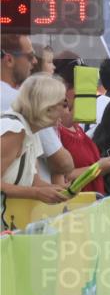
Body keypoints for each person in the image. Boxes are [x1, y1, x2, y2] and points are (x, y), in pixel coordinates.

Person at [1, 34, 73, 185]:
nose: (34, 61)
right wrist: (40, 193)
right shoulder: (17, 127)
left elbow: (34, 180)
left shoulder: (29, 130)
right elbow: (63, 163)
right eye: (30, 56)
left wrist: (54, 192)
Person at [51, 55, 110, 194]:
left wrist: (109, 162)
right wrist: (98, 168)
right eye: (83, 87)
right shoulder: (53, 130)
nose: (89, 93)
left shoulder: (76, 128)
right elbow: (61, 177)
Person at [1, 74, 70, 206]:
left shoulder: (31, 131)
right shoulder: (14, 130)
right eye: (64, 103)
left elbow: (34, 181)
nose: (67, 110)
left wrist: (62, 191)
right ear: (48, 107)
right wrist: (37, 193)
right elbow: (35, 189)